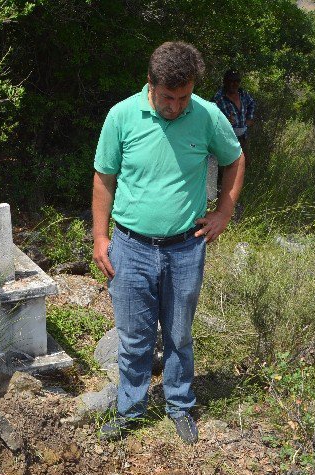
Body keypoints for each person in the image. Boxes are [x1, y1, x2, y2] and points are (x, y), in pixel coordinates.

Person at [92, 41, 244, 444]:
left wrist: (224, 212)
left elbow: (234, 158)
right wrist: (101, 236)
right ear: (150, 84)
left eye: (183, 97)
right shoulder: (121, 116)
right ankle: (130, 409)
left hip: (185, 247)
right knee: (134, 336)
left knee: (179, 332)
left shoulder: (207, 115)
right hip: (130, 246)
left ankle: (179, 404)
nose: (175, 106)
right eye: (167, 98)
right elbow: (104, 178)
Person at [211, 69, 255, 161]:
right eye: (231, 81)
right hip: (226, 140)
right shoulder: (218, 98)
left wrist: (249, 118)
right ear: (225, 82)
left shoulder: (243, 94)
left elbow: (252, 103)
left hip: (243, 138)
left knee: (244, 164)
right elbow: (210, 119)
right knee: (228, 166)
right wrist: (224, 120)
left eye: (237, 81)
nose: (234, 84)